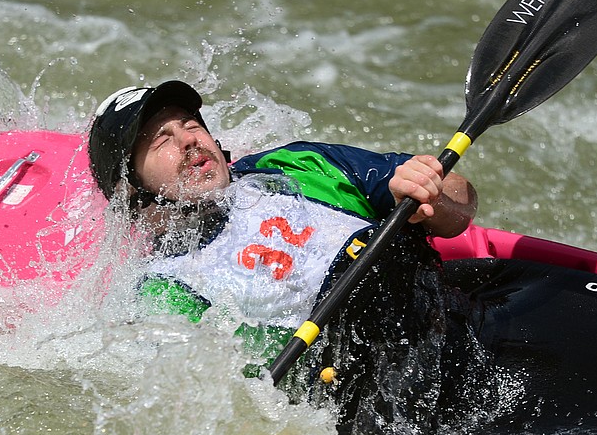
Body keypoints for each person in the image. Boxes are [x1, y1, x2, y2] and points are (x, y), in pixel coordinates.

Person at [87, 80, 476, 341]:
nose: (190, 139)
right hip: (394, 400)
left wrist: (432, 196)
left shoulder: (298, 165)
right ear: (131, 189)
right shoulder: (165, 288)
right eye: (161, 141)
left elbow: (462, 203)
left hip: (455, 315)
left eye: (191, 124)